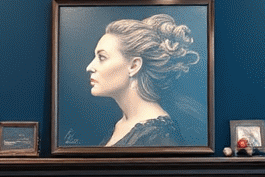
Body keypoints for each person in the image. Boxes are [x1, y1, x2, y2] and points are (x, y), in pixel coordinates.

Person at [86, 13, 200, 147]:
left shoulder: (159, 135)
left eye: (102, 57)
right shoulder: (123, 124)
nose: (90, 67)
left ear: (134, 66)